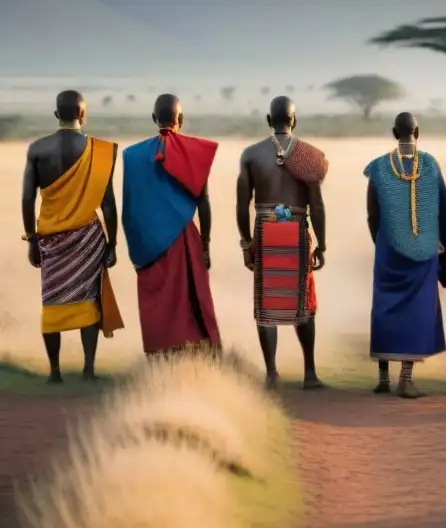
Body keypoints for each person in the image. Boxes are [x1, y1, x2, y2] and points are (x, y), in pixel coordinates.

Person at [21, 90, 124, 382]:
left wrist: (31, 240)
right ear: (83, 115)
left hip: (51, 239)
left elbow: (28, 199)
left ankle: (55, 372)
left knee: (52, 301)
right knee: (89, 302)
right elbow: (108, 203)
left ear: (57, 115)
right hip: (88, 239)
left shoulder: (38, 149)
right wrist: (112, 243)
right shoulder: (102, 151)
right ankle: (88, 369)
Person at [364, 112, 446, 398]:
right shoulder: (431, 166)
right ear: (417, 132)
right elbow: (444, 212)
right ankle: (405, 379)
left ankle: (383, 378)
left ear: (394, 132)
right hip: (423, 251)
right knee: (416, 312)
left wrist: (383, 243)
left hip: (388, 249)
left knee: (384, 308)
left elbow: (372, 214)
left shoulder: (378, 167)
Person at [237, 96, 328, 389]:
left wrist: (246, 243)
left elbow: (242, 206)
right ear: (294, 121)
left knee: (268, 304)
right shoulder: (311, 155)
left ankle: (272, 373)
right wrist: (322, 245)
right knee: (304, 303)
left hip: (266, 231)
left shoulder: (251, 155)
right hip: (298, 230)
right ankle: (310, 374)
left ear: (268, 121)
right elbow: (318, 206)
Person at [122, 94, 221, 356]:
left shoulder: (133, 156)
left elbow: (130, 209)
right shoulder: (194, 152)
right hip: (185, 239)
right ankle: (198, 358)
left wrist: (137, 248)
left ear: (154, 119)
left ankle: (163, 358)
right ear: (181, 119)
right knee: (192, 302)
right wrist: (206, 245)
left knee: (159, 302)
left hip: (150, 241)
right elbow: (204, 202)